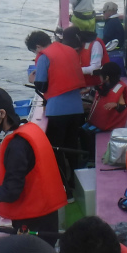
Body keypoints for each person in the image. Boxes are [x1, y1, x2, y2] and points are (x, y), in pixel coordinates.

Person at [0, 87, 67, 243]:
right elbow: (24, 176)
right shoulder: (28, 129)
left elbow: (10, 194)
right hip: (46, 219)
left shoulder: (17, 145)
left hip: (34, 225)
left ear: (2, 114)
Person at [25, 30, 86, 197]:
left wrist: (32, 80)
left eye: (34, 51)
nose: (36, 54)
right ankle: (77, 181)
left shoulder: (44, 57)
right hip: (77, 108)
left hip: (58, 111)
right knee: (72, 146)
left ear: (38, 46)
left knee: (56, 150)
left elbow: (42, 86)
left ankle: (65, 190)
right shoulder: (69, 50)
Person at [86, 62, 127, 133]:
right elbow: (100, 96)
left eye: (101, 75)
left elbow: (123, 107)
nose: (99, 77)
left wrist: (115, 105)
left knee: (86, 133)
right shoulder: (104, 86)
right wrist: (88, 91)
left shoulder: (118, 89)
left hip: (107, 126)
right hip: (96, 122)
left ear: (107, 77)